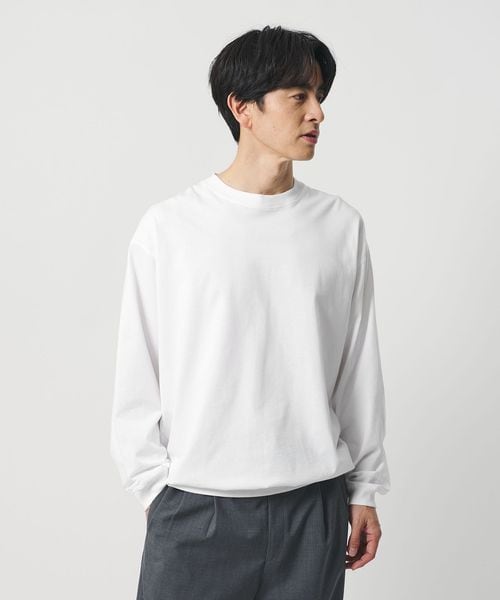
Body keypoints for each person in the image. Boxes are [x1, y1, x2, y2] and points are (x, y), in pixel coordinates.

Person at [110, 25, 391, 600]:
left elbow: (358, 366)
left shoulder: (339, 226)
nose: (318, 113)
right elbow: (139, 368)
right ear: (243, 107)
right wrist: (155, 489)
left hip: (312, 507)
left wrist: (364, 488)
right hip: (196, 506)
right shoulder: (170, 228)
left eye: (320, 97)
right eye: (299, 96)